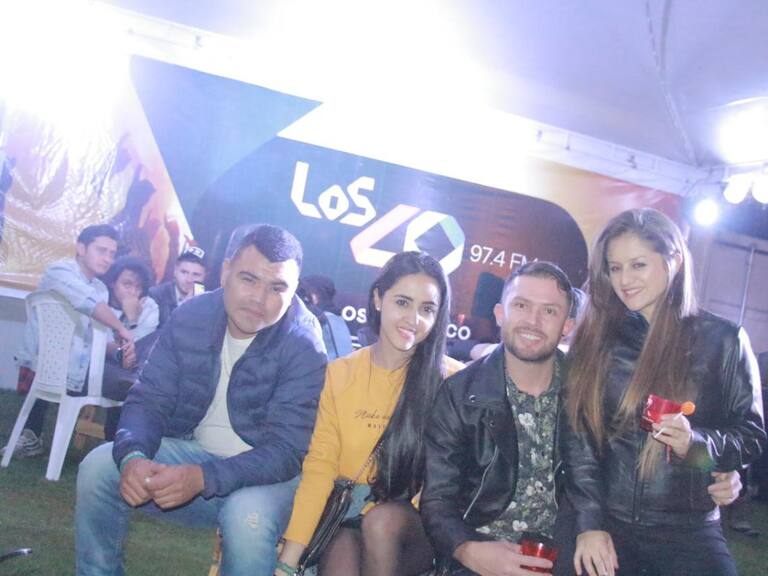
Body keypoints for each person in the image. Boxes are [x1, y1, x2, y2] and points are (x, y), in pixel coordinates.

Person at [419, 261, 743, 576]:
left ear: (567, 326)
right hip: (484, 550)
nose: (533, 321)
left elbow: (641, 451)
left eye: (549, 311)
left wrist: (714, 469)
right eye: (521, 305)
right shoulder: (461, 395)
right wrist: (468, 550)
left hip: (573, 550)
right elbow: (437, 500)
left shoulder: (594, 390)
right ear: (500, 313)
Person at [74, 224, 327, 576]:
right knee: (99, 468)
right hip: (197, 458)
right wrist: (133, 455)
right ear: (225, 271)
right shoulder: (192, 315)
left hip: (269, 481)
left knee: (246, 519)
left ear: (294, 290)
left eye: (277, 288)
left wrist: (203, 478)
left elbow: (286, 451)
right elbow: (149, 398)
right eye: (249, 279)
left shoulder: (304, 345)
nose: (259, 298)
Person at [562, 208, 765, 576]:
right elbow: (579, 441)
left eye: (638, 265)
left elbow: (751, 437)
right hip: (608, 524)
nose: (624, 280)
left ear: (673, 260)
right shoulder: (596, 339)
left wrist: (696, 445)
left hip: (688, 529)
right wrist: (590, 523)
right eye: (615, 267)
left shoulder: (724, 341)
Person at [275, 251, 464, 576]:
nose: (413, 319)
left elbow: (450, 481)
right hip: (350, 515)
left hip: (419, 527)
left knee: (381, 522)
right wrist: (286, 563)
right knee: (343, 554)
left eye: (427, 309)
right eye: (402, 302)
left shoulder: (452, 382)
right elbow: (320, 468)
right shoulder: (341, 374)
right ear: (378, 299)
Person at [4, 224, 131, 458]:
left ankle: (113, 448)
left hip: (79, 364)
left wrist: (120, 351)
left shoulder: (100, 288)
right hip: (55, 366)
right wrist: (121, 327)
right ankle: (117, 451)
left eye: (112, 254)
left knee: (129, 374)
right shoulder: (60, 271)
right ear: (81, 248)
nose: (108, 259)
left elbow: (98, 340)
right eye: (101, 250)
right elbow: (87, 303)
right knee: (128, 384)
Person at [100, 255, 160, 441]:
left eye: (138, 287)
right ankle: (113, 440)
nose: (133, 292)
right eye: (127, 284)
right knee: (129, 380)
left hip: (135, 364)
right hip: (101, 362)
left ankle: (118, 440)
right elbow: (102, 344)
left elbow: (139, 348)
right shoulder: (100, 302)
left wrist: (133, 319)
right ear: (113, 283)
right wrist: (129, 321)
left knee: (157, 339)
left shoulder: (149, 306)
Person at [298, 274, 354, 360]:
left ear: (316, 295)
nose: (304, 299)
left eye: (306, 295)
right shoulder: (335, 318)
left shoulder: (320, 320)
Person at [148, 246, 206, 327]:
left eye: (196, 275)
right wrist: (183, 310)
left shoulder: (208, 303)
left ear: (204, 276)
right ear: (175, 271)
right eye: (184, 272)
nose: (189, 280)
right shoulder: (156, 295)